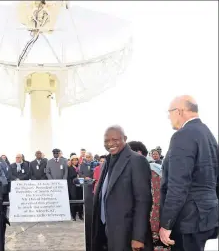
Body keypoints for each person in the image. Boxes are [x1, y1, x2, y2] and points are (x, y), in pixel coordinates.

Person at [159, 95, 218, 251]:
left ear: (179, 111)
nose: (168, 117)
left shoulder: (182, 136)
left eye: (169, 112)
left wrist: (166, 224)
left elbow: (178, 185)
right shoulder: (209, 135)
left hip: (189, 221)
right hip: (209, 217)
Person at [91, 126, 153, 251]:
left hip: (127, 234)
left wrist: (138, 237)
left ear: (124, 138)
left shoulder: (136, 160)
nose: (110, 144)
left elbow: (143, 201)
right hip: (105, 231)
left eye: (115, 139)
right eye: (106, 141)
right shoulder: (106, 162)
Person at [128, 141, 170, 250]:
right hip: (155, 222)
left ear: (139, 153)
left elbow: (154, 199)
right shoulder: (155, 168)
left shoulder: (148, 169)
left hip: (148, 224)